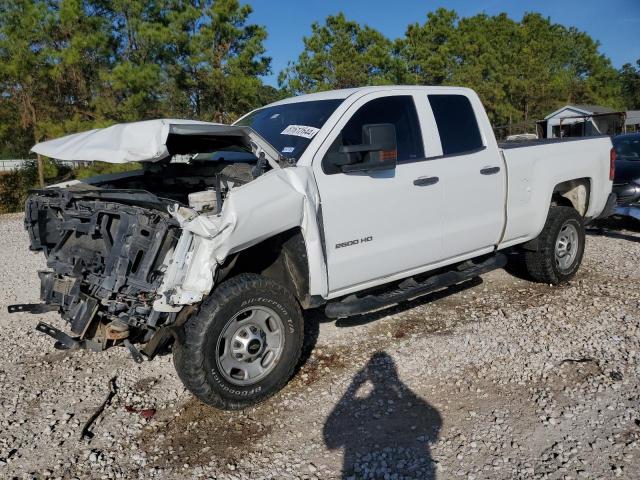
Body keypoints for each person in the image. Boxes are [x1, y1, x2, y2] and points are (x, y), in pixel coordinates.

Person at [323, 351, 442, 479]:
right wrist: (397, 383)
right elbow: (434, 423)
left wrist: (354, 386)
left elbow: (330, 440)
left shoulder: (359, 406)